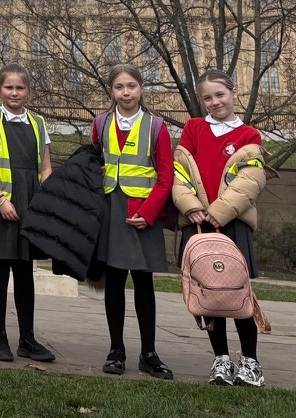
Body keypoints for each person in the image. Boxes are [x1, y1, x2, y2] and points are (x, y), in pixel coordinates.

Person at [172, 70, 270, 388]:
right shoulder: (193, 129)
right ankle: (221, 360)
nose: (215, 102)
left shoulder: (249, 135)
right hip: (198, 223)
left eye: (220, 95)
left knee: (237, 292)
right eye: (207, 98)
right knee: (208, 293)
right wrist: (193, 207)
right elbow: (180, 171)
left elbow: (250, 181)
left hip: (233, 223)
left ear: (234, 93)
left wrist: (219, 213)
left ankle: (251, 363)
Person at [91, 63, 174, 379]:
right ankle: (116, 350)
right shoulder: (100, 124)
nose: (126, 92)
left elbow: (165, 177)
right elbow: (94, 165)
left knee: (143, 282)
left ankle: (148, 353)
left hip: (142, 214)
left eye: (131, 86)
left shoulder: (156, 127)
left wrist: (149, 213)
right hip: (111, 211)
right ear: (111, 91)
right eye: (119, 87)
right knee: (113, 281)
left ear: (141, 89)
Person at [0, 63, 55, 363]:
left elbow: (45, 167)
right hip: (1, 204)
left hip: (29, 203)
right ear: (0, 89)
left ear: (28, 92)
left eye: (20, 88)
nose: (14, 93)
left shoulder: (39, 123)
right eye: (9, 87)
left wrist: (44, 201)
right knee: (0, 269)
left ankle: (27, 338)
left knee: (25, 271)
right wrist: (0, 200)